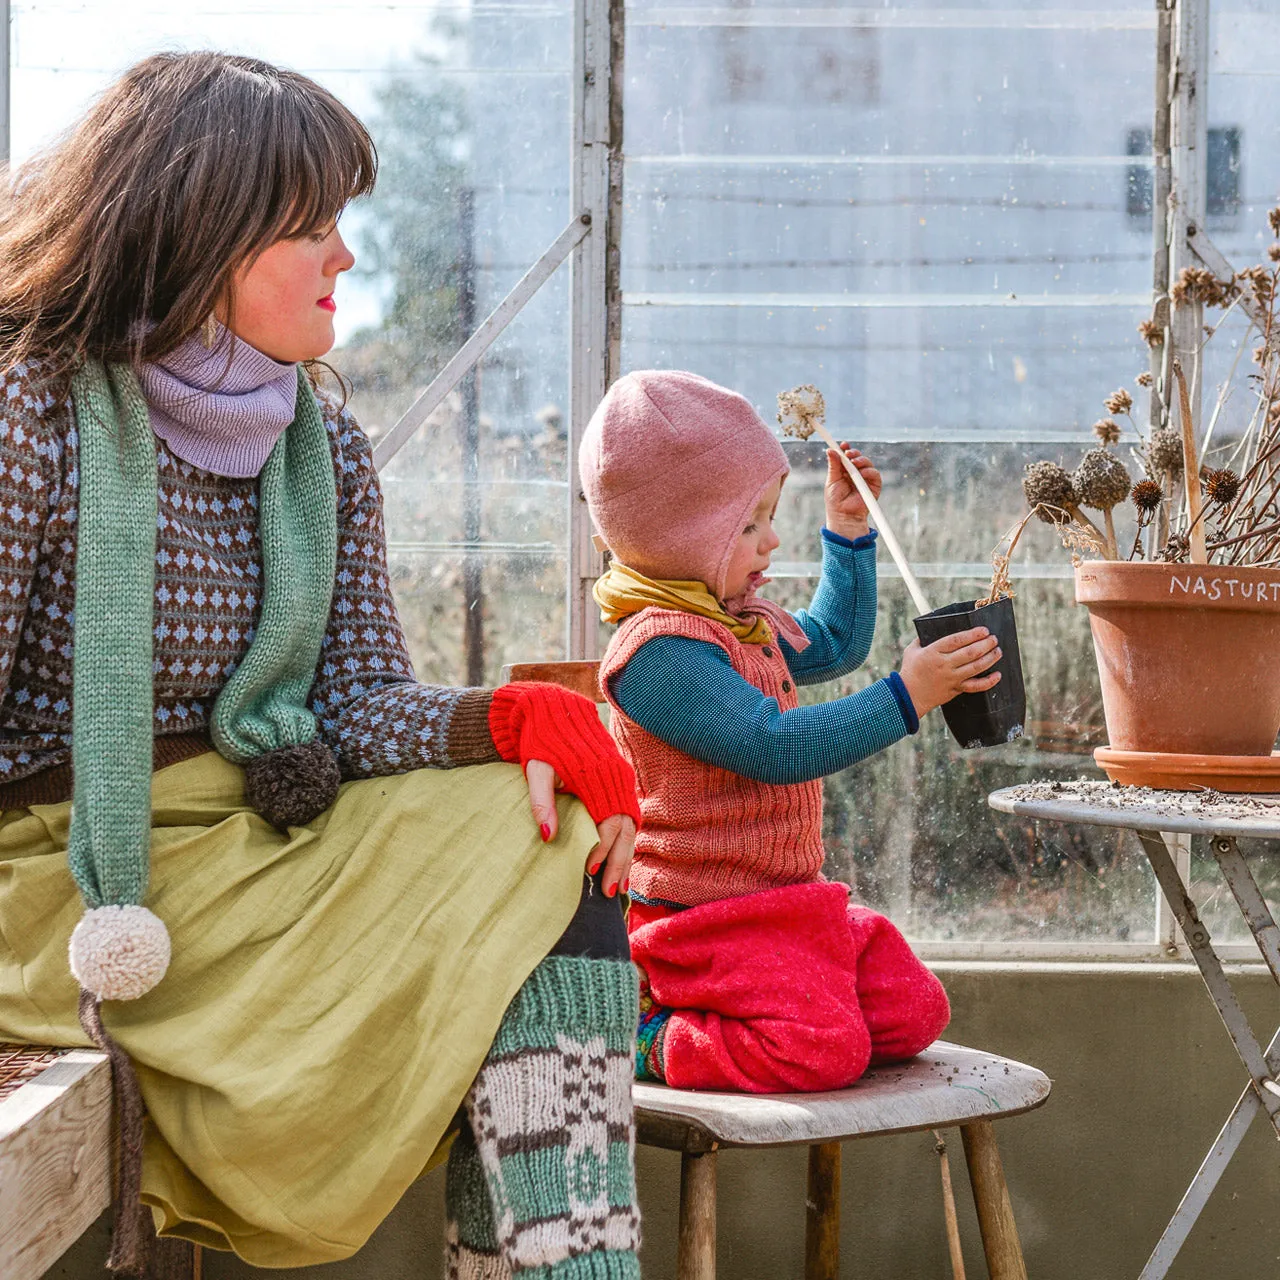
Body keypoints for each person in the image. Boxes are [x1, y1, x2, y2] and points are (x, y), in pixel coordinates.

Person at [0, 51, 643, 1280]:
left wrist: (511, 723)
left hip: (252, 836)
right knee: (524, 848)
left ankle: (559, 1263)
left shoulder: (320, 444)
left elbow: (349, 703)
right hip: (74, 872)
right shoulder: (29, 412)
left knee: (541, 834)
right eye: (311, 226)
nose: (345, 255)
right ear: (204, 232)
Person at [580, 370, 1002, 1093]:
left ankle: (790, 999)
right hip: (701, 921)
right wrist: (910, 695)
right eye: (746, 526)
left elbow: (833, 643)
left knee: (911, 1012)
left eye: (771, 516)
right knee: (823, 1051)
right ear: (679, 535)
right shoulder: (658, 655)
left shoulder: (732, 620)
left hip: (784, 903)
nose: (771, 540)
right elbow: (774, 745)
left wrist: (847, 532)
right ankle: (646, 1030)